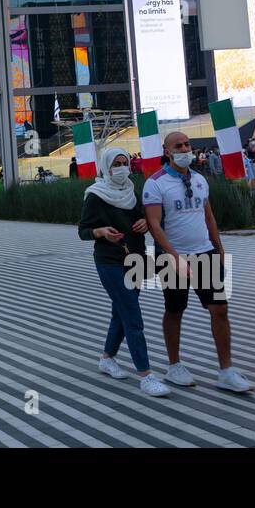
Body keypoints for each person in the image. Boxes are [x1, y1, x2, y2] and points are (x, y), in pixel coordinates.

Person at [142, 130, 250, 393]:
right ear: (167, 151)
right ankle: (174, 365)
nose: (184, 149)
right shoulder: (155, 183)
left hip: (205, 253)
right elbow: (155, 225)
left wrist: (219, 248)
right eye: (178, 146)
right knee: (175, 309)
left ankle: (226, 370)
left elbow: (209, 217)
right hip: (173, 256)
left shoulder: (201, 180)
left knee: (220, 309)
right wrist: (174, 256)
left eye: (187, 144)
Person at [78, 148, 170, 397]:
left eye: (124, 163)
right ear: (106, 168)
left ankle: (107, 358)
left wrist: (143, 223)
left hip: (136, 258)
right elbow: (83, 230)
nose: (121, 168)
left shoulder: (132, 191)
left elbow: (144, 219)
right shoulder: (96, 195)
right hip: (110, 261)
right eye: (116, 164)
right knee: (132, 315)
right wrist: (101, 232)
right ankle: (146, 375)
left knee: (121, 312)